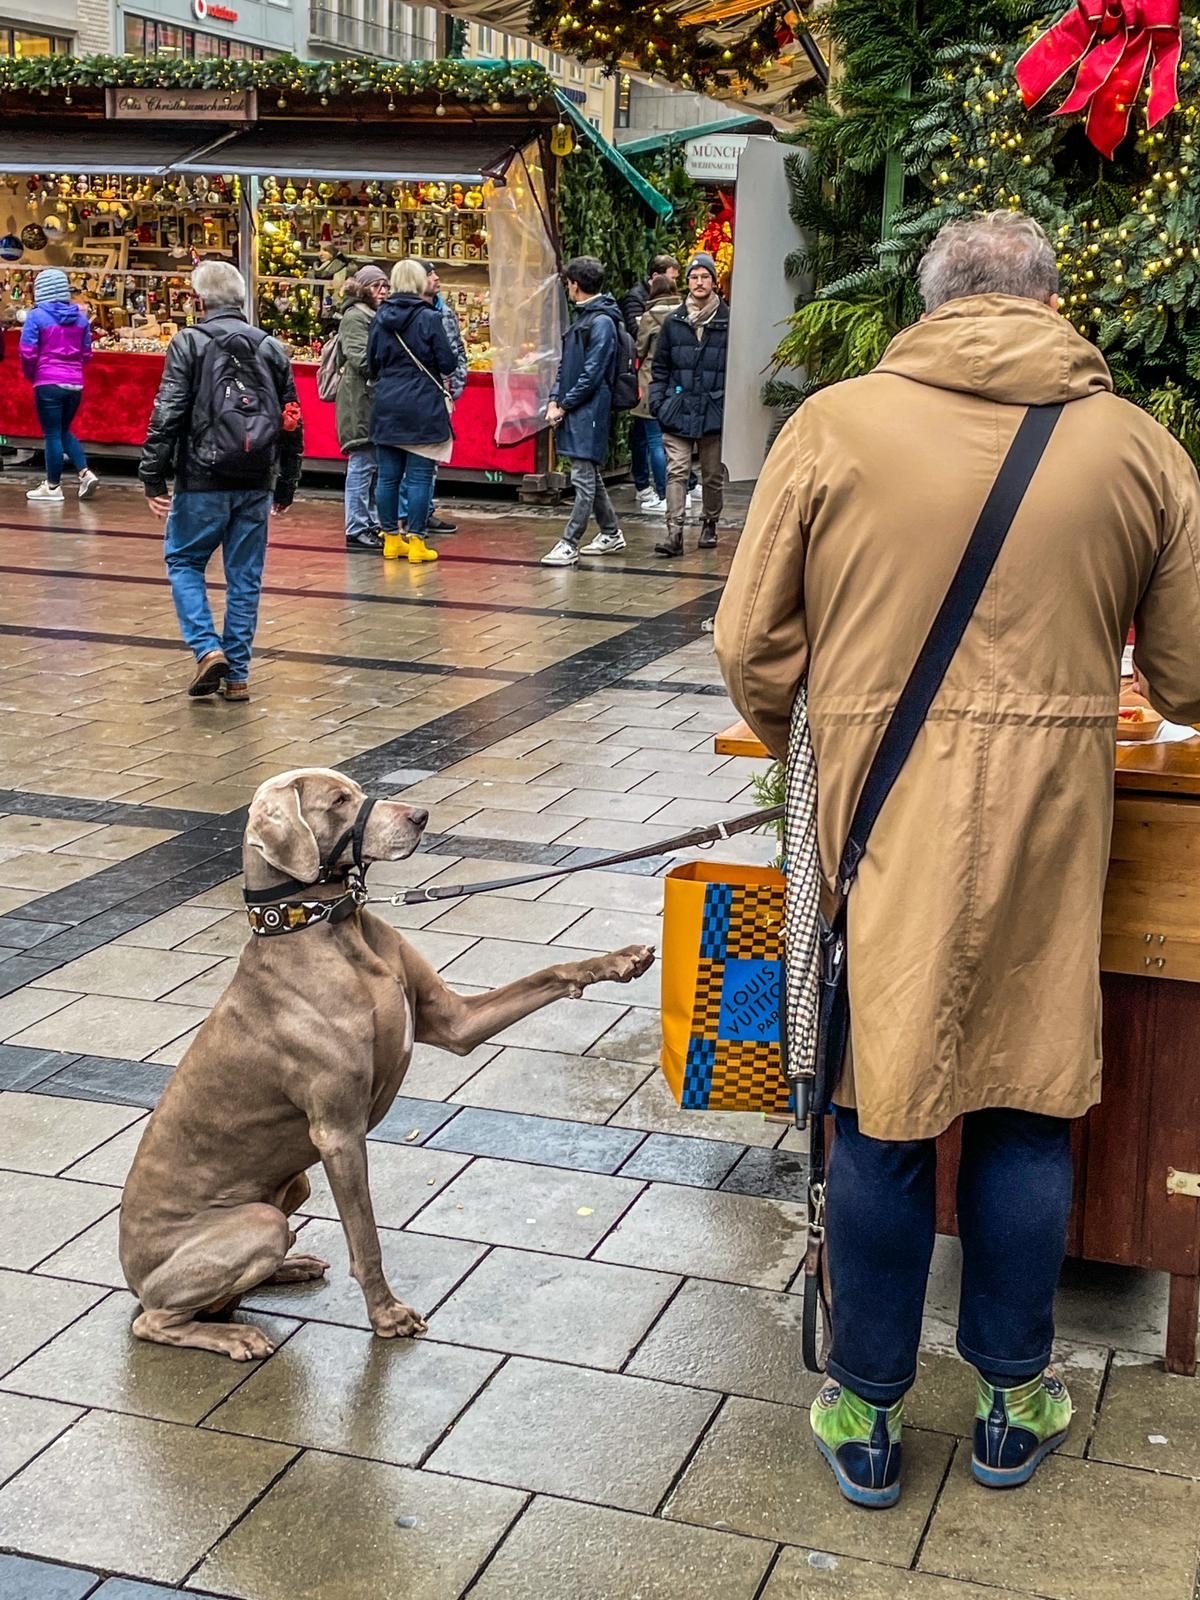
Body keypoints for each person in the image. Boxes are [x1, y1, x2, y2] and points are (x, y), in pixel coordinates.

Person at [715, 211, 1200, 1509]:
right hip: (1053, 823)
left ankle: (867, 1409)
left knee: (876, 1106)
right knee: (1026, 1107)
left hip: (881, 822)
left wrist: (826, 737)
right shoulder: (1137, 447)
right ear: (1050, 304)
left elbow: (751, 645)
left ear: (926, 306)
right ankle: (1010, 1397)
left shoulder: (834, 426)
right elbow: (1193, 673)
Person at [140, 260, 302, 702]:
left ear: (199, 300)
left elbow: (168, 411)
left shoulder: (189, 342)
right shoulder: (271, 347)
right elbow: (292, 419)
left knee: (185, 562)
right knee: (245, 578)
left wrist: (153, 476)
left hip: (202, 476)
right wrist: (286, 483)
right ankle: (238, 677)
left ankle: (208, 648)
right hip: (256, 478)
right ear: (242, 300)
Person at [367, 258, 456, 565]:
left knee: (388, 478)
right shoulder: (429, 318)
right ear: (419, 283)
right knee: (419, 478)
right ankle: (417, 541)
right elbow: (448, 363)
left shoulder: (380, 317)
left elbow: (372, 362)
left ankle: (391, 539)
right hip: (422, 405)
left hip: (387, 403)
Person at [542, 255, 627, 568]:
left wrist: (562, 403)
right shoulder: (592, 318)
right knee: (588, 471)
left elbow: (590, 373)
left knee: (583, 477)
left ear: (574, 285)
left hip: (587, 409)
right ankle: (610, 531)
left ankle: (570, 541)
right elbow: (571, 367)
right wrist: (556, 399)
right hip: (581, 406)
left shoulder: (598, 321)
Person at [649, 251, 729, 557]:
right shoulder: (674, 322)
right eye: (694, 277)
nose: (699, 282)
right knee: (677, 472)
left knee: (711, 474)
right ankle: (675, 532)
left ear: (713, 281)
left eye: (705, 276)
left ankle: (710, 522)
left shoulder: (726, 320)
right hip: (678, 409)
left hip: (713, 409)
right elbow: (661, 367)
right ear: (686, 281)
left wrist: (727, 403)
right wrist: (660, 401)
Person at [398, 259, 468, 537]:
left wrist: (455, 386)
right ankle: (405, 517)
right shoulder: (404, 313)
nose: (436, 278)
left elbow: (456, 351)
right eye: (430, 274)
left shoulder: (444, 312)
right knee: (408, 462)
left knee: (431, 460)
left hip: (440, 394)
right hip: (412, 395)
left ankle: (423, 511)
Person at [19, 268, 99, 503]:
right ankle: (85, 472)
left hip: (47, 380)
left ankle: (53, 486)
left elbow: (27, 352)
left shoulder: (36, 316)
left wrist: (32, 375)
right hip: (75, 383)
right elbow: (86, 354)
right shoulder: (81, 319)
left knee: (52, 433)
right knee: (63, 430)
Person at [336, 265, 388, 552]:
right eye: (376, 286)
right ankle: (356, 527)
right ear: (364, 289)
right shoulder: (356, 317)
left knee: (374, 465)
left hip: (373, 399)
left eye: (385, 285)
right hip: (360, 400)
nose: (382, 291)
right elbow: (360, 358)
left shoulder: (375, 316)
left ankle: (371, 523)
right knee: (362, 462)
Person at [623, 253, 679, 512]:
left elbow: (640, 347)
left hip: (649, 380)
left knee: (655, 439)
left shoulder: (649, 316)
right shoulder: (684, 314)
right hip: (674, 381)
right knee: (675, 439)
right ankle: (678, 490)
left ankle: (660, 493)